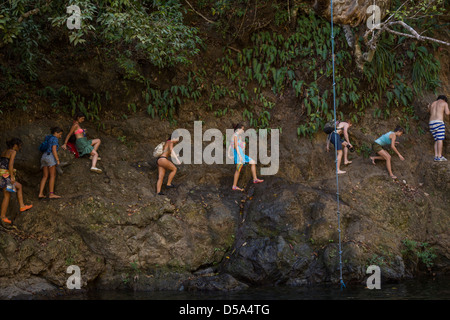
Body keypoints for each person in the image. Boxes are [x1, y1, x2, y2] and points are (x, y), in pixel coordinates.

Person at [0, 138, 33, 224]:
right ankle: (2, 216)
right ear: (15, 145)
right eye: (19, 146)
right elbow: (10, 165)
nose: (20, 148)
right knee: (7, 196)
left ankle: (22, 206)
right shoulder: (13, 152)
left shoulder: (4, 151)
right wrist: (12, 177)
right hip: (6, 176)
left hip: (2, 175)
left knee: (19, 186)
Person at [227, 123, 263, 191]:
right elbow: (235, 146)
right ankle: (234, 186)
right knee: (238, 170)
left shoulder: (237, 136)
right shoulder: (235, 136)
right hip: (239, 155)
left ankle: (255, 179)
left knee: (253, 162)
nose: (243, 131)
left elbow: (230, 145)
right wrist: (239, 156)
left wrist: (229, 154)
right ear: (238, 129)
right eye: (242, 129)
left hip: (241, 154)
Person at [38, 127, 63, 199]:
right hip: (50, 157)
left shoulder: (48, 137)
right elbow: (54, 150)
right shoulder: (55, 138)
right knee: (52, 175)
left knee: (45, 176)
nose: (60, 136)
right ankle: (51, 194)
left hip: (44, 156)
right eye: (60, 134)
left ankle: (40, 193)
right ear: (56, 133)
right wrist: (57, 160)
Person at [428, 95, 449, 161]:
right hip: (439, 122)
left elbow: (430, 112)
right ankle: (439, 156)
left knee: (436, 139)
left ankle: (436, 156)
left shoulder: (433, 103)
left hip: (431, 123)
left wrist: (429, 107)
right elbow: (447, 113)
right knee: (440, 139)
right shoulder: (444, 103)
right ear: (444, 100)